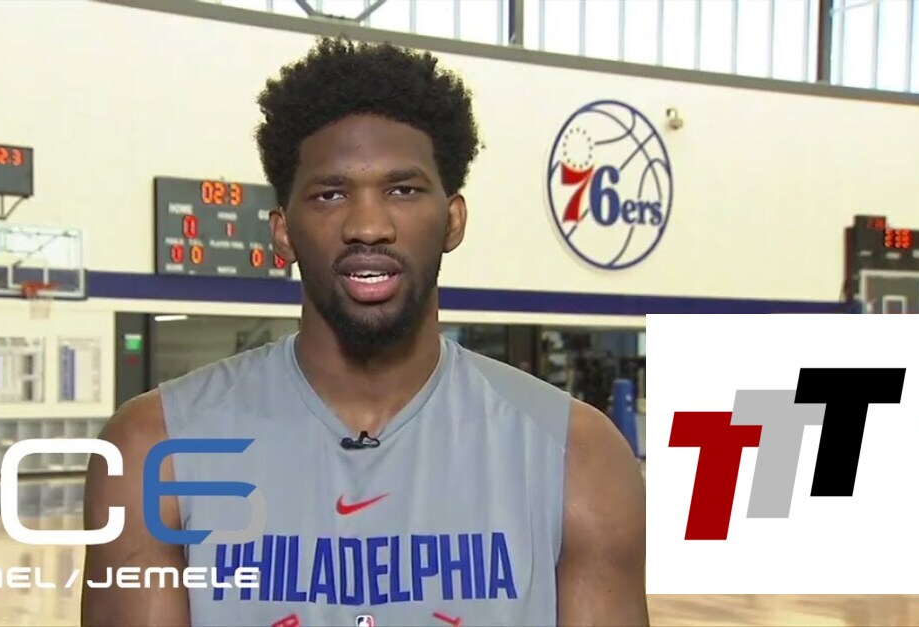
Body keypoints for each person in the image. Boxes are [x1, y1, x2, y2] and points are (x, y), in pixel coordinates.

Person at [82, 37, 648, 627]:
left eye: (403, 191)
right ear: (283, 232)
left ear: (452, 220)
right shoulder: (154, 452)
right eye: (330, 194)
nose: (369, 226)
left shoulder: (576, 455)